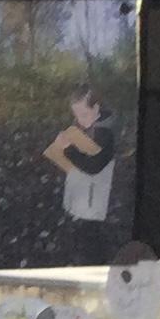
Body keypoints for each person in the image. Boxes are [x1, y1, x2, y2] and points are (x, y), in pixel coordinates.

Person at [44, 87, 118, 237]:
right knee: (77, 227)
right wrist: (61, 146)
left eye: (84, 115)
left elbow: (94, 167)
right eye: (76, 115)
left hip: (94, 198)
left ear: (96, 108)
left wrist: (68, 149)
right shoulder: (82, 126)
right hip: (80, 192)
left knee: (90, 232)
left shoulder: (105, 133)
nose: (80, 120)